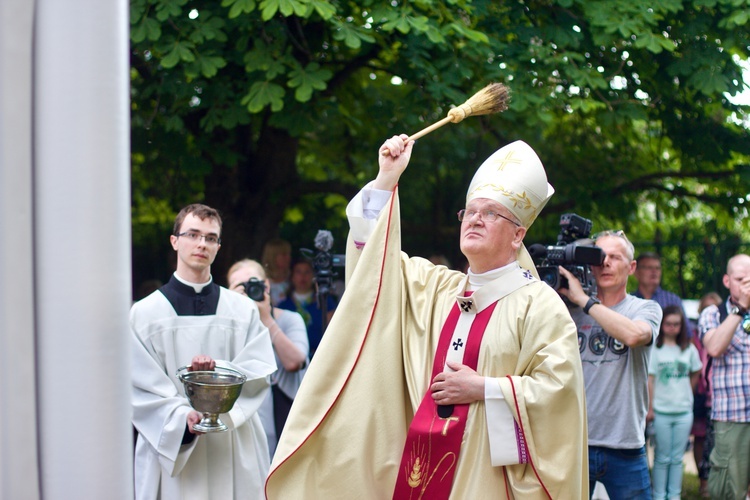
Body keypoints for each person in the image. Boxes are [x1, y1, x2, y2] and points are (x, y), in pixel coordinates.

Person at [265, 136, 588, 498]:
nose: (475, 220)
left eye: (490, 213)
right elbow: (376, 268)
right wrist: (387, 178)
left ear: (518, 235)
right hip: (417, 463)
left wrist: (483, 389)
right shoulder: (435, 288)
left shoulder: (539, 304)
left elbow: (560, 395)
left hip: (484, 475)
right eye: (470, 212)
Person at [130, 204, 277, 500]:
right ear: (175, 241)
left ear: (218, 246)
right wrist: (181, 418)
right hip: (172, 447)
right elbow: (139, 388)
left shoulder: (243, 310)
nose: (201, 244)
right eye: (193, 234)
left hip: (233, 445)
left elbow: (259, 370)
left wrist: (216, 375)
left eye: (211, 238)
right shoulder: (145, 314)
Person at [558, 230, 662, 498]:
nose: (605, 263)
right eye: (599, 257)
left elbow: (634, 335)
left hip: (625, 445)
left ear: (632, 267)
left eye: (615, 257)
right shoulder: (566, 311)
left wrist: (584, 300)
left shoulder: (645, 309)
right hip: (575, 442)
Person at [226, 258, 308, 458]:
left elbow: (294, 362)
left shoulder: (289, 319)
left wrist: (265, 319)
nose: (248, 292)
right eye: (240, 288)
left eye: (253, 285)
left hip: (288, 423)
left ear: (267, 286)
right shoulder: (226, 329)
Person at [698, 254, 750, 499]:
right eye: (741, 279)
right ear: (727, 281)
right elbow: (715, 348)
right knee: (730, 490)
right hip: (732, 415)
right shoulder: (713, 314)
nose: (747, 285)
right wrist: (740, 309)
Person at [647, 305, 702, 500]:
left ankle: (674, 495)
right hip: (661, 411)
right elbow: (650, 379)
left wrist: (688, 391)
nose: (672, 327)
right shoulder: (655, 349)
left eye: (676, 324)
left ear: (682, 326)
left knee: (677, 458)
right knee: (662, 457)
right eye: (668, 324)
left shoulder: (688, 349)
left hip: (683, 411)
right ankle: (659, 495)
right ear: (662, 325)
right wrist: (651, 407)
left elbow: (696, 372)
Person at [692, 291, 722, 497]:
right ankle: (703, 481)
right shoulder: (693, 334)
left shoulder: (727, 331)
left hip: (716, 393)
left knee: (716, 438)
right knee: (700, 437)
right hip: (698, 391)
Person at [277, 258, 337, 358]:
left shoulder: (326, 302)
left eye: (307, 272)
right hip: (291, 358)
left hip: (320, 357)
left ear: (314, 276)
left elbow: (334, 332)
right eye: (298, 272)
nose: (303, 276)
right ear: (292, 276)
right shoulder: (283, 306)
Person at [633, 251, 692, 337]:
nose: (654, 271)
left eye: (657, 268)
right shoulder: (629, 301)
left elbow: (687, 335)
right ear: (636, 272)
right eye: (649, 267)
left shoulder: (673, 300)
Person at [261, 237, 292, 306]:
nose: (288, 257)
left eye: (289, 254)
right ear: (272, 256)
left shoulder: (293, 278)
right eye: (284, 254)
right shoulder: (262, 279)